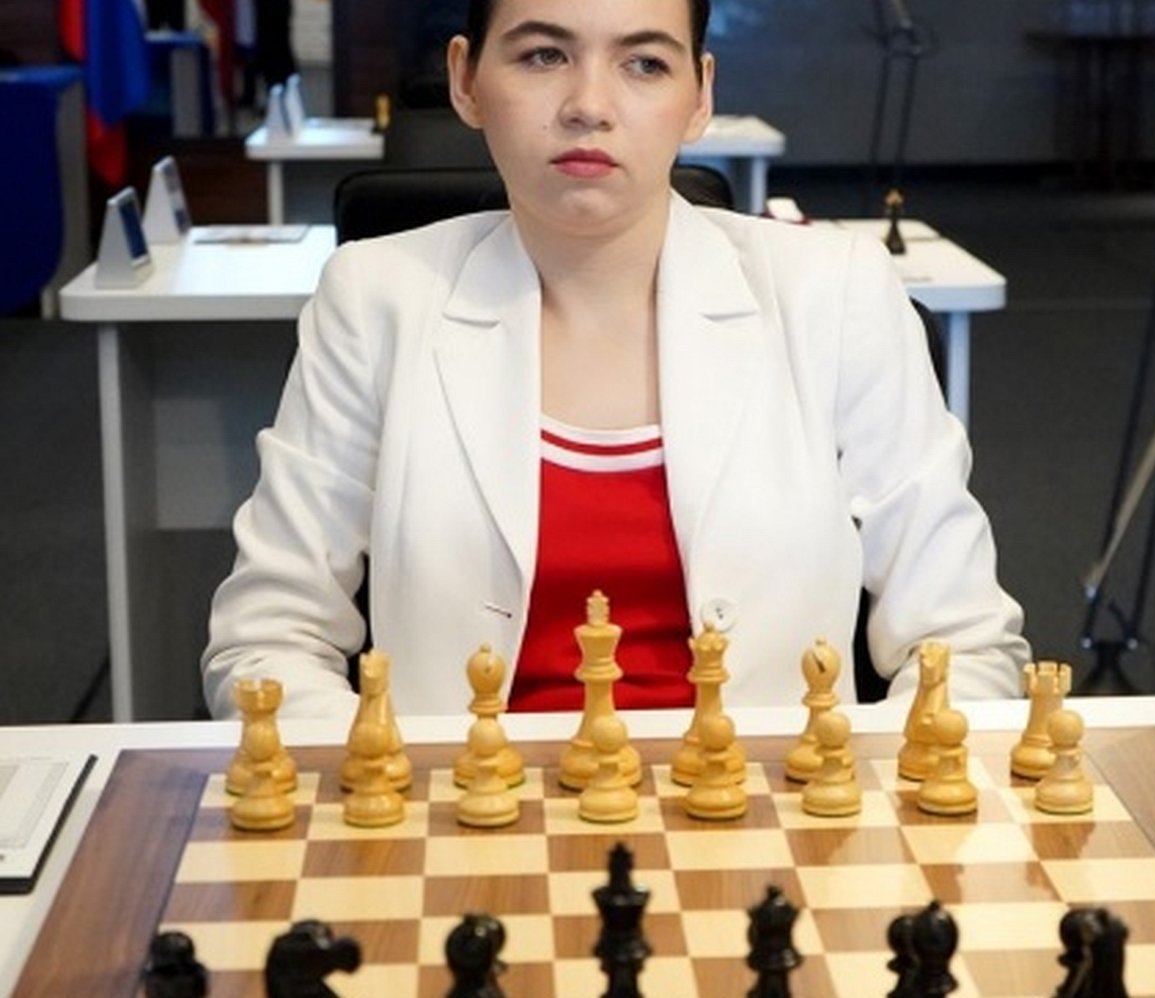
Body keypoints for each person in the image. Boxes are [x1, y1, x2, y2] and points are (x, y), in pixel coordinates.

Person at [201, 0, 1030, 718]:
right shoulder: (376, 297)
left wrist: (870, 811)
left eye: (644, 63)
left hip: (770, 814)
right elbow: (267, 641)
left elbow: (962, 640)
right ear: (466, 80)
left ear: (699, 95)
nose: (588, 106)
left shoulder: (833, 294)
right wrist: (389, 789)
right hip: (461, 815)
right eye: (542, 55)